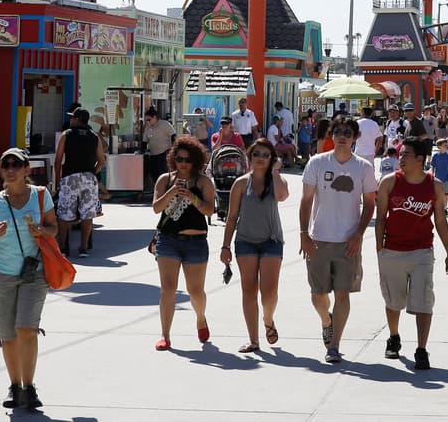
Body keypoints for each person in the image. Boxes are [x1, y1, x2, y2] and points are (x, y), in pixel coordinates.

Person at [0, 147, 58, 410]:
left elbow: (53, 228)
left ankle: (29, 386)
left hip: (33, 274)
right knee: (8, 334)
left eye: (16, 164)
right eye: (5, 165)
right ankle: (15, 386)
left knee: (26, 327)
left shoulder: (41, 196)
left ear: (27, 169)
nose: (10, 169)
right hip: (1, 275)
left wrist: (40, 231)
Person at [299, 119, 377, 363]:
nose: (342, 136)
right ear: (332, 135)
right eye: (338, 132)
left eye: (347, 133)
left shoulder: (363, 167)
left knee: (343, 294)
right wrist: (304, 234)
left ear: (355, 137)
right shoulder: (317, 162)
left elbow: (370, 204)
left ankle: (334, 345)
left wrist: (358, 234)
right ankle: (326, 320)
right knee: (317, 295)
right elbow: (306, 200)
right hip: (319, 238)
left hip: (348, 241)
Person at [375, 136, 448, 370]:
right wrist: (380, 249)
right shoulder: (389, 183)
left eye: (406, 155)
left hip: (422, 251)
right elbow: (380, 219)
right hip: (393, 250)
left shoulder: (435, 186)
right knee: (393, 300)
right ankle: (394, 336)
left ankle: (421, 349)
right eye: (400, 154)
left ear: (420, 159)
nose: (401, 158)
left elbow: (440, 220)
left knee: (423, 301)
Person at [220, 139, 289, 353]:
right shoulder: (241, 183)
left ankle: (268, 319)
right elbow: (231, 217)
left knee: (269, 292)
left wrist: (276, 172)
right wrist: (225, 246)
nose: (261, 158)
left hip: (271, 240)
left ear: (272, 159)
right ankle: (253, 339)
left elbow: (282, 196)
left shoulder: (277, 180)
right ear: (249, 157)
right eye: (257, 154)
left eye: (266, 155)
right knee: (248, 290)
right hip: (245, 241)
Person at [152, 137, 216, 350]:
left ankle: (200, 318)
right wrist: (172, 192)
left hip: (196, 241)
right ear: (173, 159)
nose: (183, 164)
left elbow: (209, 210)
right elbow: (156, 208)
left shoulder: (203, 181)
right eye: (179, 159)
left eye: (188, 160)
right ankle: (165, 335)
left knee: (195, 291)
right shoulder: (165, 180)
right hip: (168, 241)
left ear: (195, 161)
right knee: (167, 289)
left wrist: (192, 197)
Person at [54, 108, 105, 256]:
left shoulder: (66, 135)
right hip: (89, 178)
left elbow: (58, 161)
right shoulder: (94, 137)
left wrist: (58, 181)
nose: (71, 120)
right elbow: (101, 161)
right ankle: (83, 248)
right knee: (87, 214)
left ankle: (63, 247)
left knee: (64, 213)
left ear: (78, 119)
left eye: (73, 118)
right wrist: (91, 172)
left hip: (70, 178)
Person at [142, 107, 177, 196]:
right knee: (153, 173)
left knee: (163, 173)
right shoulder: (148, 128)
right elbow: (144, 141)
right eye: (146, 120)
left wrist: (173, 150)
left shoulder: (165, 124)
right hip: (153, 154)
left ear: (154, 117)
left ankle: (165, 192)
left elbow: (173, 136)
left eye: (149, 119)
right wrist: (142, 151)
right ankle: (158, 191)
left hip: (164, 153)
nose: (148, 122)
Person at [430, 137, 448, 214]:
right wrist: (432, 175)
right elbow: (433, 166)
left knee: (445, 194)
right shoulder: (435, 156)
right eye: (445, 145)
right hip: (437, 179)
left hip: (446, 178)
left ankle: (445, 208)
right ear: (439, 147)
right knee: (437, 195)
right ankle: (437, 207)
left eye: (447, 145)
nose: (447, 146)